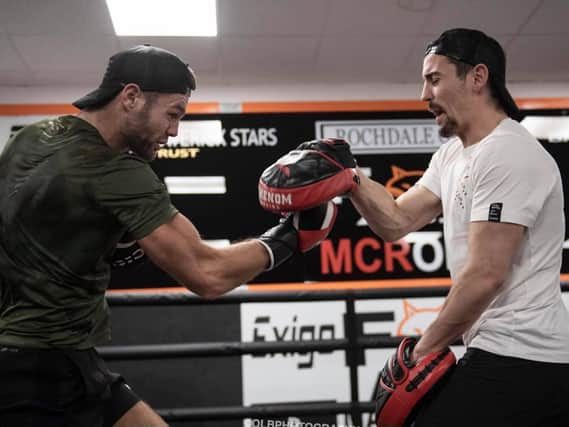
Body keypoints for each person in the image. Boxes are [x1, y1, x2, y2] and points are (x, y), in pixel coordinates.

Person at [0, 45, 334, 427]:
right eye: (172, 114)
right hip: (43, 371)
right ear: (131, 97)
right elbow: (207, 274)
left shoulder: (31, 137)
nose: (173, 131)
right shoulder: (117, 172)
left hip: (56, 359)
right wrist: (290, 237)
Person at [350, 29, 569, 426]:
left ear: (477, 77)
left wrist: (422, 350)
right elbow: (396, 221)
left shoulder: (509, 153)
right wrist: (348, 179)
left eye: (434, 79)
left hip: (527, 356)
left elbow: (486, 274)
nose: (423, 94)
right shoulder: (453, 154)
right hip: (500, 349)